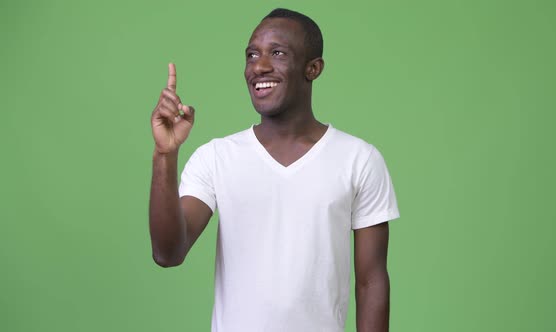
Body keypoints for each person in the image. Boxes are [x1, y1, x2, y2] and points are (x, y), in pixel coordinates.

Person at [149, 8, 400, 332]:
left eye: (277, 53)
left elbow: (372, 283)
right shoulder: (216, 157)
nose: (259, 66)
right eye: (251, 55)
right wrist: (164, 154)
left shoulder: (359, 160)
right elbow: (168, 252)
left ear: (313, 68)